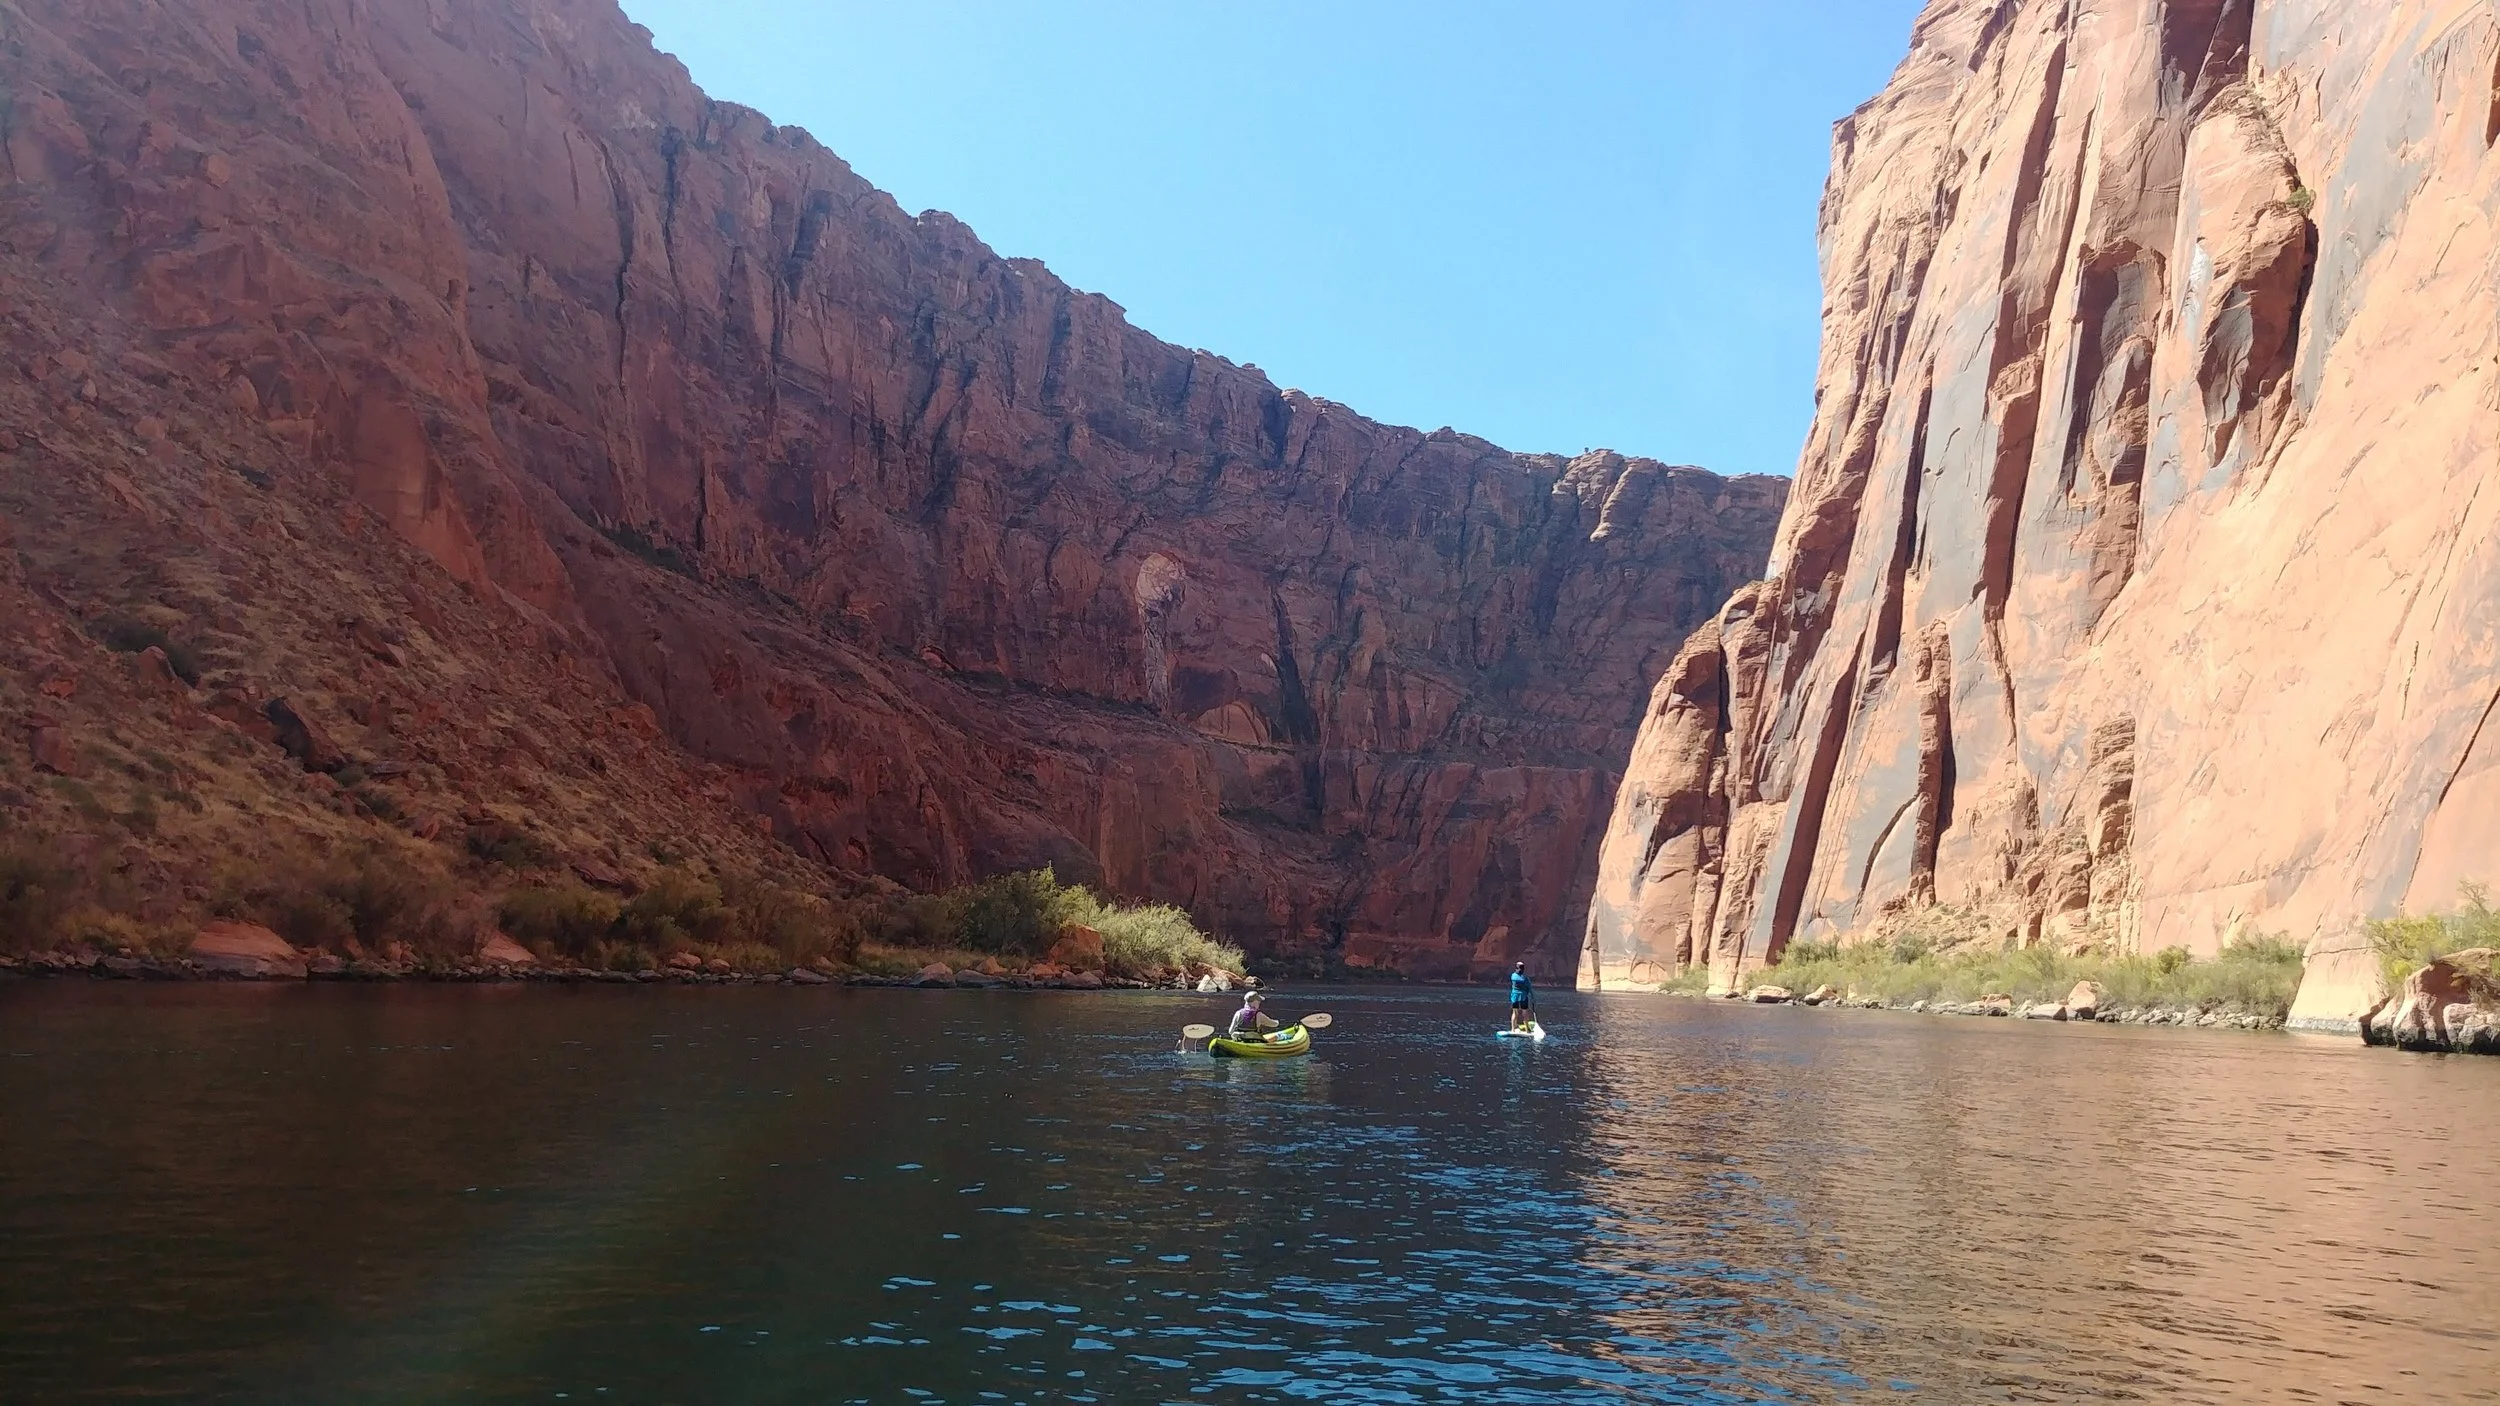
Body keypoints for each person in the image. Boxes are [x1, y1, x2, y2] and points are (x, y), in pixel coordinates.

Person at [1509, 962, 1537, 1031]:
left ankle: (1513, 1029)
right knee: (1525, 1013)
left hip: (1514, 997)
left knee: (1515, 1013)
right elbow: (1530, 988)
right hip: (1523, 997)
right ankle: (1527, 1030)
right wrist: (1533, 998)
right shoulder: (1525, 978)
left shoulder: (1513, 976)